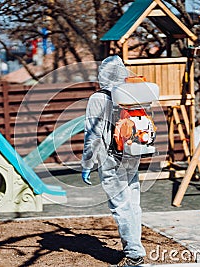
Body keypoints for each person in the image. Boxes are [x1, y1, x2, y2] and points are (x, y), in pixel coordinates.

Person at [81, 55, 146, 266]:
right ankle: (136, 247)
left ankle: (134, 254)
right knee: (133, 203)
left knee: (121, 206)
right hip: (132, 154)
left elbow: (92, 135)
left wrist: (87, 164)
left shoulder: (97, 99)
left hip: (110, 159)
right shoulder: (131, 94)